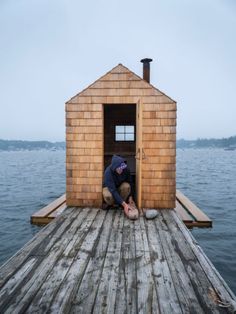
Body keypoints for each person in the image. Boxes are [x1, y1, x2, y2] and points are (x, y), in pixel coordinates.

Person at [102, 155, 139, 220]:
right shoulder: (108, 173)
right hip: (110, 189)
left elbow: (131, 183)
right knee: (108, 196)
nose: (121, 170)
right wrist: (125, 205)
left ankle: (121, 204)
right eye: (119, 169)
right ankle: (113, 204)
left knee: (127, 186)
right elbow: (113, 190)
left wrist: (130, 198)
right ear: (114, 168)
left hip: (119, 187)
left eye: (122, 168)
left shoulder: (126, 170)